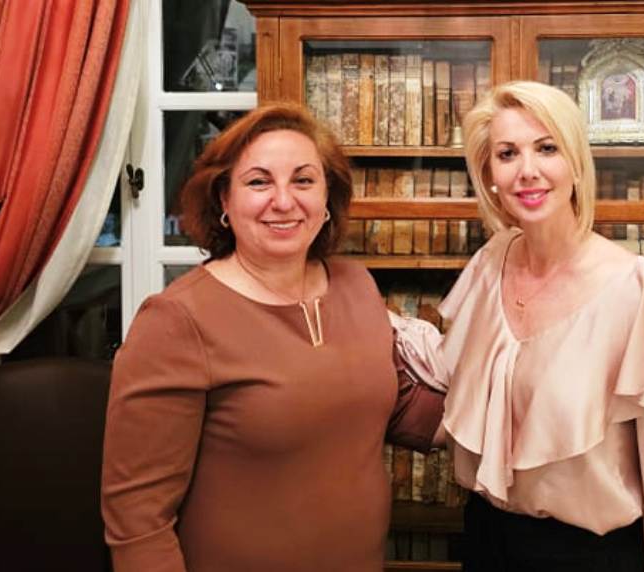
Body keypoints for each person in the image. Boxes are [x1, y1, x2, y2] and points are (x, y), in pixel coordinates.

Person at [399, 80, 644, 571]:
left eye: (547, 148)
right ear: (489, 174)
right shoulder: (491, 262)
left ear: (577, 163)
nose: (528, 171)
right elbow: (456, 370)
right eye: (507, 154)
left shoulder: (637, 289)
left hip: (588, 556)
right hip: (484, 542)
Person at [101, 102, 443, 571]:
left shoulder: (355, 284)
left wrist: (512, 408)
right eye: (259, 182)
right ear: (224, 200)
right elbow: (138, 523)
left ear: (327, 197)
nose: (283, 201)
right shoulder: (176, 321)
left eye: (303, 180)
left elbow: (388, 403)